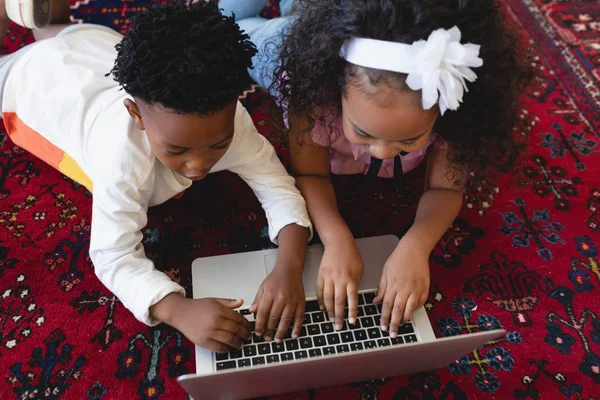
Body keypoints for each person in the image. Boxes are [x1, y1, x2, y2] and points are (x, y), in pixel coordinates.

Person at [0, 0, 314, 351]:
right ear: (135, 114)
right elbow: (113, 256)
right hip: (32, 83)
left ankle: (41, 17)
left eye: (217, 145)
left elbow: (275, 183)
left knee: (61, 33)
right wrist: (177, 310)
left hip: (92, 43)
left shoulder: (228, 118)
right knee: (32, 54)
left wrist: (289, 266)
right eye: (178, 150)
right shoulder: (120, 163)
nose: (198, 166)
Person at [235, 0, 531, 338]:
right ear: (336, 92)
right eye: (363, 132)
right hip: (285, 41)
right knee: (231, 27)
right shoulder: (311, 92)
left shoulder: (453, 114)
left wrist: (416, 246)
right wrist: (336, 239)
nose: (381, 151)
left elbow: (447, 188)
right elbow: (310, 174)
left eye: (408, 140)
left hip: (332, 27)